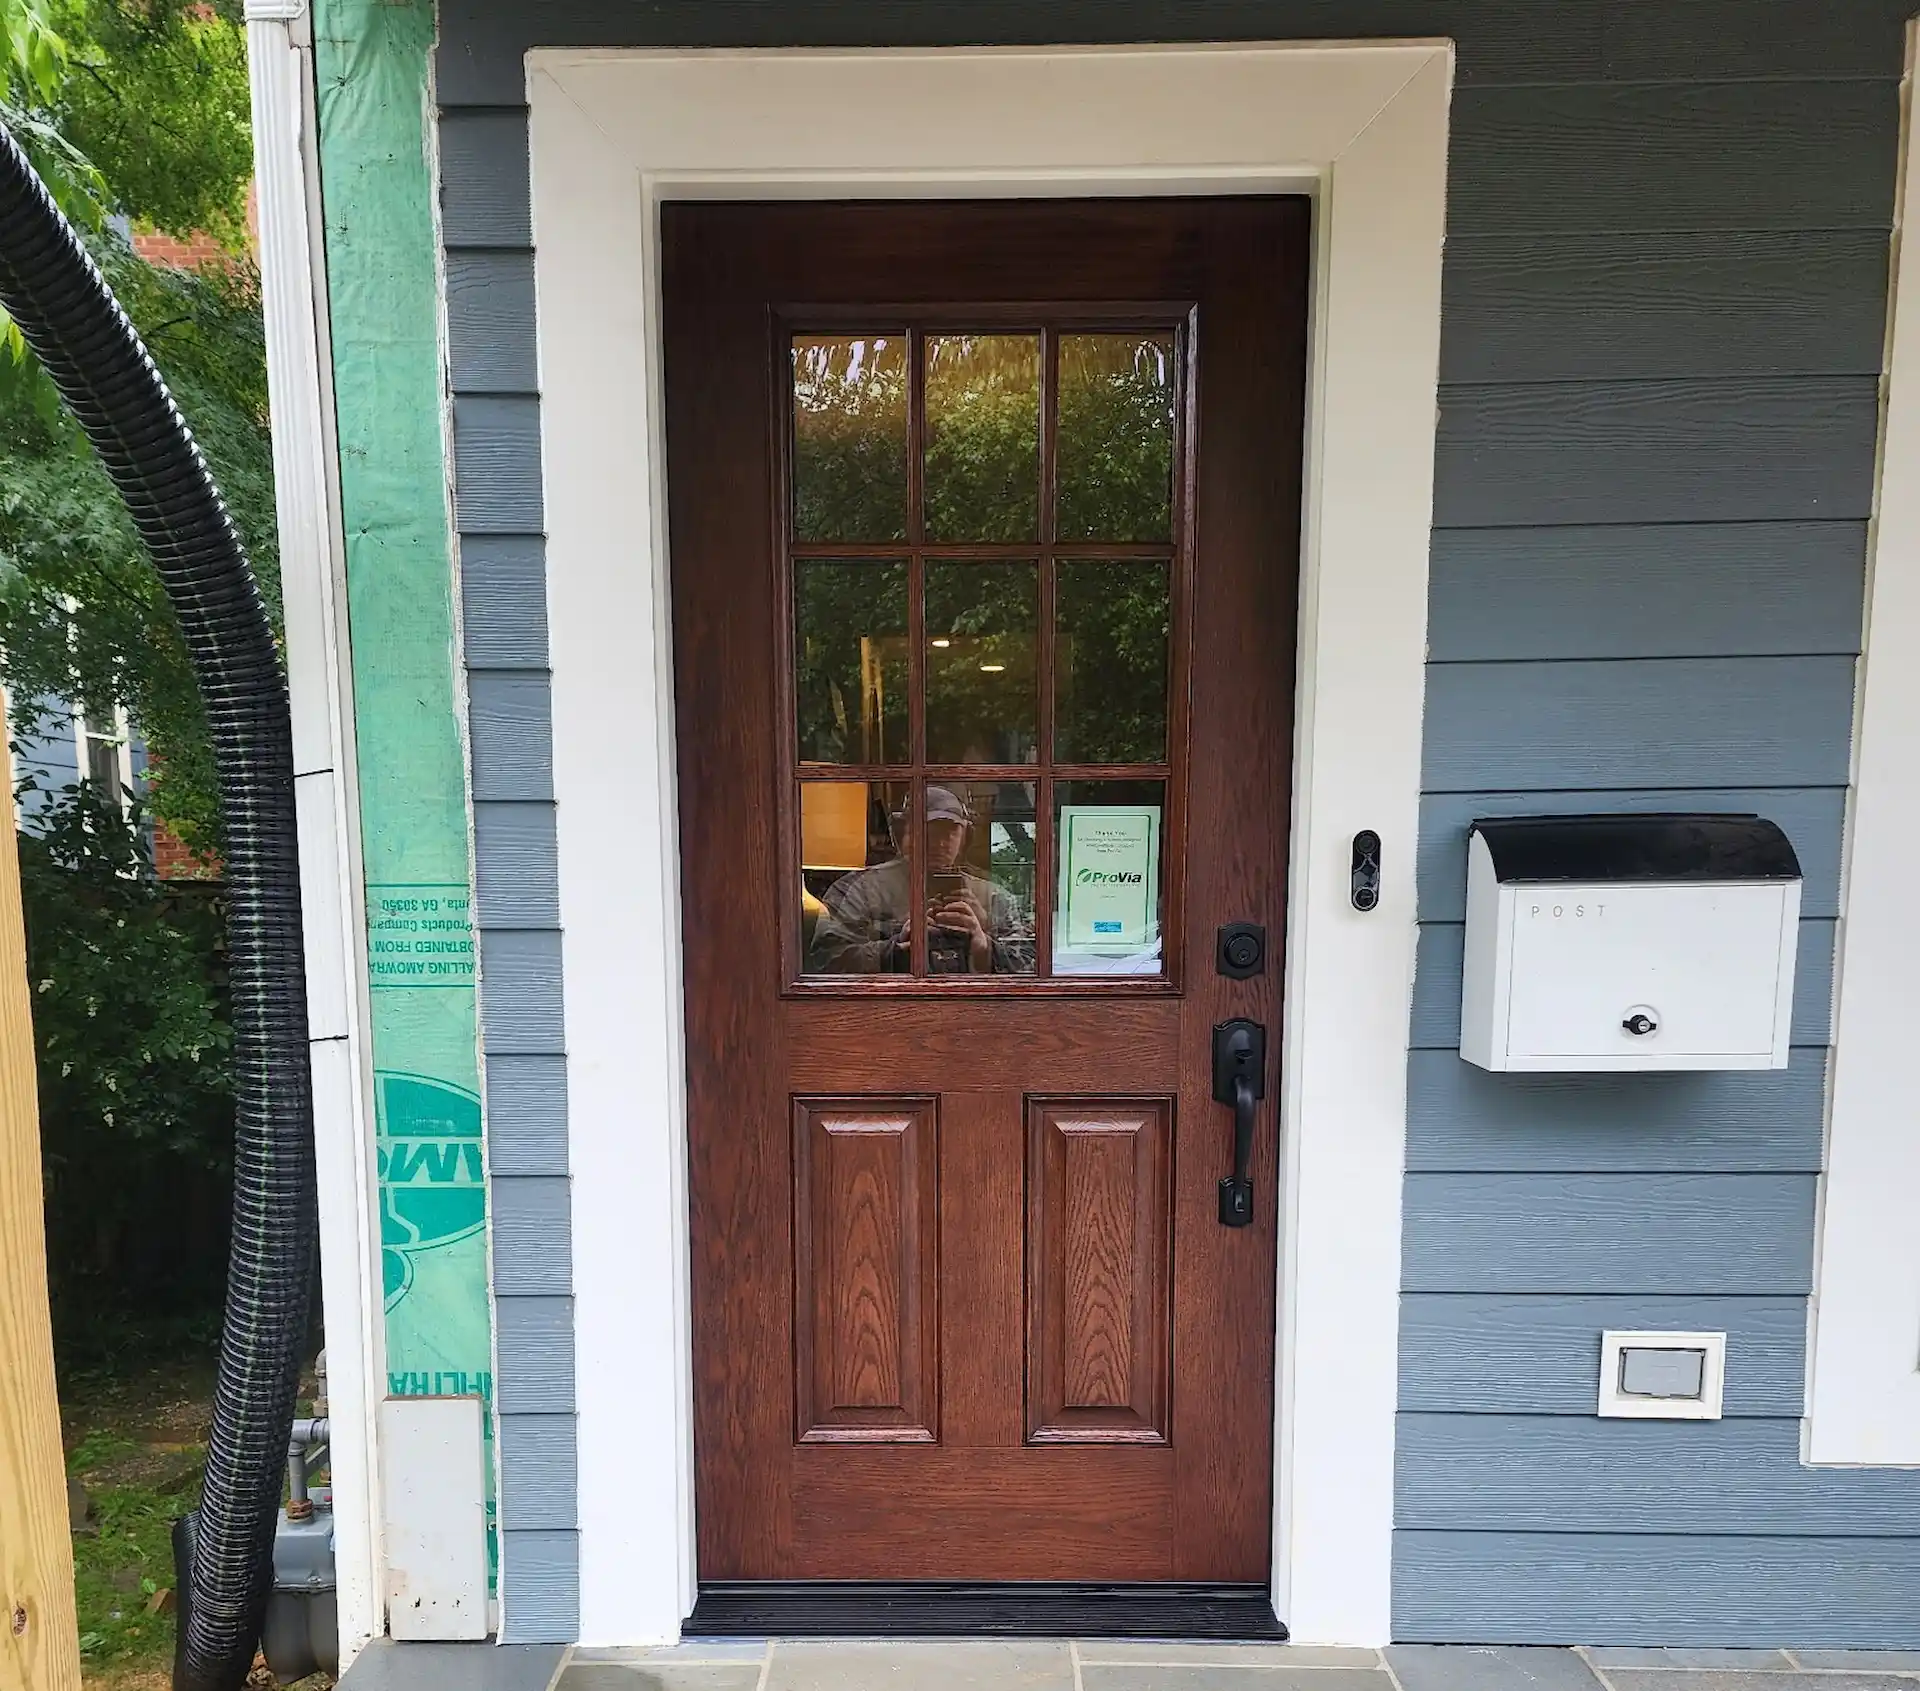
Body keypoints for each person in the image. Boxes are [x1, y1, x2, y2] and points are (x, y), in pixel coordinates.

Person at [807, 785, 1034, 975]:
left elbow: (1029, 964)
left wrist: (984, 945)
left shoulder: (993, 896)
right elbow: (825, 960)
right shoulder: (860, 890)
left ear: (965, 837)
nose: (940, 843)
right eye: (930, 831)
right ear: (904, 833)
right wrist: (895, 949)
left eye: (950, 832)